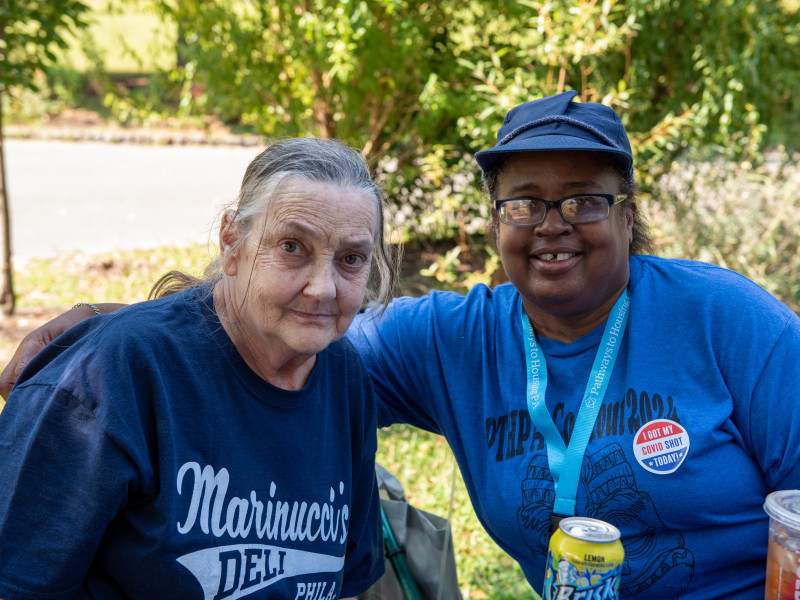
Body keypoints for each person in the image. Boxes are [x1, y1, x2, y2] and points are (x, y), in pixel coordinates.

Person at [4, 91, 799, 599]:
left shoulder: (728, 319)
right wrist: (112, 326)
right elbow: (278, 325)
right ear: (494, 224)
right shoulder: (454, 339)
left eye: (584, 199)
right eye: (523, 202)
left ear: (629, 216)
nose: (551, 224)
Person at [0, 137, 399, 600]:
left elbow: (346, 582)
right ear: (233, 241)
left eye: (351, 259)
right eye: (292, 247)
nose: (322, 288)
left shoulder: (343, 375)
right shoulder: (110, 378)